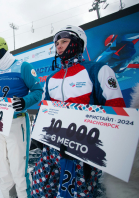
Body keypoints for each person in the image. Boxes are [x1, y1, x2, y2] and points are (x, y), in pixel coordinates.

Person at [31, 25, 126, 198]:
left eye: (64, 41)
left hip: (82, 151)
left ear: (78, 43)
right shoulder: (51, 78)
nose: (58, 46)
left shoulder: (98, 70)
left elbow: (117, 111)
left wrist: (95, 150)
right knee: (40, 188)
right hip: (52, 149)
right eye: (56, 43)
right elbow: (44, 110)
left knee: (76, 194)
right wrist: (37, 135)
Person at [0, 36, 43, 198]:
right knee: (2, 168)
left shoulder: (23, 66)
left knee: (18, 169)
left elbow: (38, 91)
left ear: (1, 52)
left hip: (17, 123)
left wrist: (24, 102)